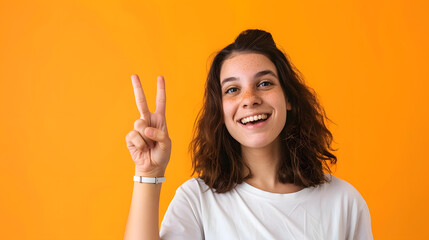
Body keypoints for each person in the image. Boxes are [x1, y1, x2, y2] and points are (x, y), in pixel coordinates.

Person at [124, 29, 373, 240]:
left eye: (264, 83)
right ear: (220, 111)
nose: (249, 99)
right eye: (232, 89)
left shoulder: (344, 202)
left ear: (288, 98)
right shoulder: (197, 200)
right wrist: (149, 173)